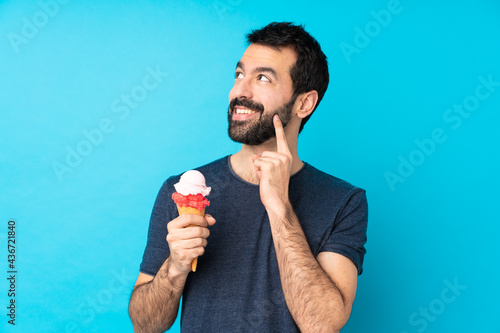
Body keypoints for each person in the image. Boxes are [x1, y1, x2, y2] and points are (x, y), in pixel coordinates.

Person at [129, 22, 368, 333]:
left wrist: (279, 206)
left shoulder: (343, 201)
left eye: (263, 78)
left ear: (304, 103)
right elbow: (145, 326)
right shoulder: (183, 190)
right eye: (239, 74)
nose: (240, 91)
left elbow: (321, 324)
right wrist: (174, 267)